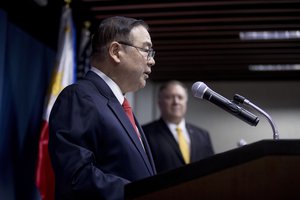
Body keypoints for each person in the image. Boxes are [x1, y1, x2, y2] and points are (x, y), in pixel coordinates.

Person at [48, 16, 156, 200]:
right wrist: (140, 192)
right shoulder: (79, 97)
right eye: (146, 50)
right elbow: (77, 178)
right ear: (115, 51)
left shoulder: (120, 106)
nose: (151, 61)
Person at [142, 80, 214, 174]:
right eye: (169, 97)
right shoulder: (145, 133)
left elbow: (212, 168)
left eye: (180, 97)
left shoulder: (202, 135)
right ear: (159, 102)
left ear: (186, 102)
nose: (176, 102)